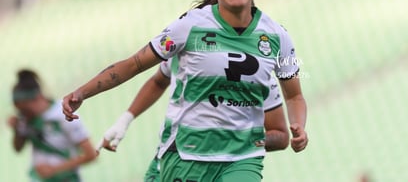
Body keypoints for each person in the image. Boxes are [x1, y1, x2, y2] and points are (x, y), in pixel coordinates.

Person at [63, 0, 308, 181]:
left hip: (243, 156)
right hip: (187, 151)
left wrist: (299, 126)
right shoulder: (188, 28)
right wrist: (83, 92)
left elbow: (294, 96)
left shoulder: (278, 36)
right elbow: (136, 64)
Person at [97, 57, 289, 182]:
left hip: (232, 163)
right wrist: (125, 119)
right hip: (173, 157)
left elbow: (281, 136)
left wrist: (241, 142)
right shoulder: (183, 48)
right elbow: (158, 80)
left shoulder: (257, 74)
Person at [8, 69, 97, 182]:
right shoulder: (25, 118)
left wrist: (55, 169)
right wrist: (16, 129)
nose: (23, 113)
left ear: (37, 97)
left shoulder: (63, 113)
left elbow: (90, 154)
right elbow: (18, 148)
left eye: (25, 109)